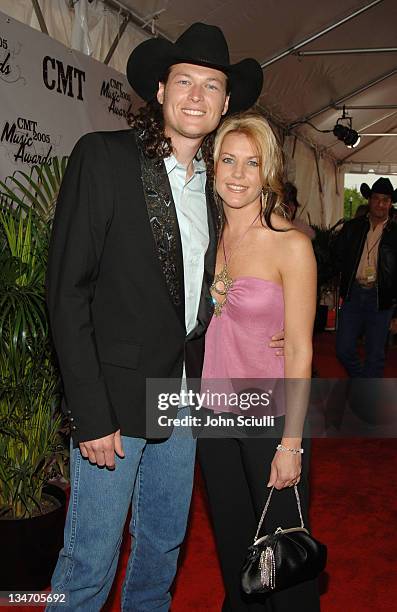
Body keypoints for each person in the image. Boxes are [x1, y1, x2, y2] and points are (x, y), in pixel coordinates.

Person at [45, 22, 286, 612]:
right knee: (89, 561)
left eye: (211, 85)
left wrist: (273, 325)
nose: (197, 96)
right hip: (113, 407)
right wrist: (90, 414)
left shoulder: (220, 188)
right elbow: (66, 293)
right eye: (185, 81)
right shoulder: (103, 157)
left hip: (184, 400)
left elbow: (242, 271)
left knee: (161, 550)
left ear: (227, 103)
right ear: (160, 90)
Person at [197, 113, 319, 611]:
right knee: (234, 551)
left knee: (281, 561)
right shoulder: (208, 238)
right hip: (213, 415)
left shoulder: (292, 246)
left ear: (268, 171)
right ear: (213, 164)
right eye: (229, 159)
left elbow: (300, 349)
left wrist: (291, 443)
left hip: (270, 418)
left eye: (253, 163)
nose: (239, 174)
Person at [334, 177, 397, 377]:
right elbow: (336, 257)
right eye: (377, 198)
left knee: (375, 355)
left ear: (391, 203)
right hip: (353, 294)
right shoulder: (352, 227)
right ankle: (364, 383)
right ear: (369, 200)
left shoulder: (395, 233)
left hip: (381, 300)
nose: (380, 204)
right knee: (343, 349)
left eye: (385, 200)